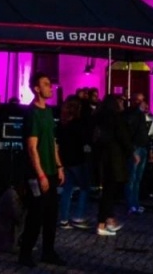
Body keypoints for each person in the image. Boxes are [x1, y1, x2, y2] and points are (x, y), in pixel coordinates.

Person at [17, 72, 66, 267]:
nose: (50, 87)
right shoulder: (32, 114)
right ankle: (25, 253)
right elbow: (31, 147)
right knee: (36, 214)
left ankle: (48, 251)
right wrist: (40, 174)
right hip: (37, 174)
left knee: (51, 214)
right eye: (46, 84)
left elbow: (52, 142)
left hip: (51, 171)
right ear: (36, 88)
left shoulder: (47, 112)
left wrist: (59, 166)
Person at [91, 92, 130, 236]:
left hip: (102, 158)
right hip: (113, 159)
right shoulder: (115, 118)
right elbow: (123, 137)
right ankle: (102, 223)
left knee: (107, 191)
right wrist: (130, 151)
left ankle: (108, 220)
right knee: (109, 191)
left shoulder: (98, 117)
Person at [55, 97, 91, 229]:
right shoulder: (78, 124)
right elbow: (83, 142)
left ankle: (64, 218)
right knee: (85, 187)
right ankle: (78, 216)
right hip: (78, 159)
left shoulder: (62, 123)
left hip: (66, 159)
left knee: (67, 189)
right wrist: (88, 152)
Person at [121, 93, 150, 214]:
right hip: (135, 148)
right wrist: (133, 151)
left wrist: (149, 149)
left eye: (142, 100)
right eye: (137, 101)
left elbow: (144, 132)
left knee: (138, 179)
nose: (140, 103)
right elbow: (129, 131)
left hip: (143, 147)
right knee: (131, 178)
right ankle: (130, 204)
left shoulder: (141, 115)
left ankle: (136, 203)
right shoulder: (129, 113)